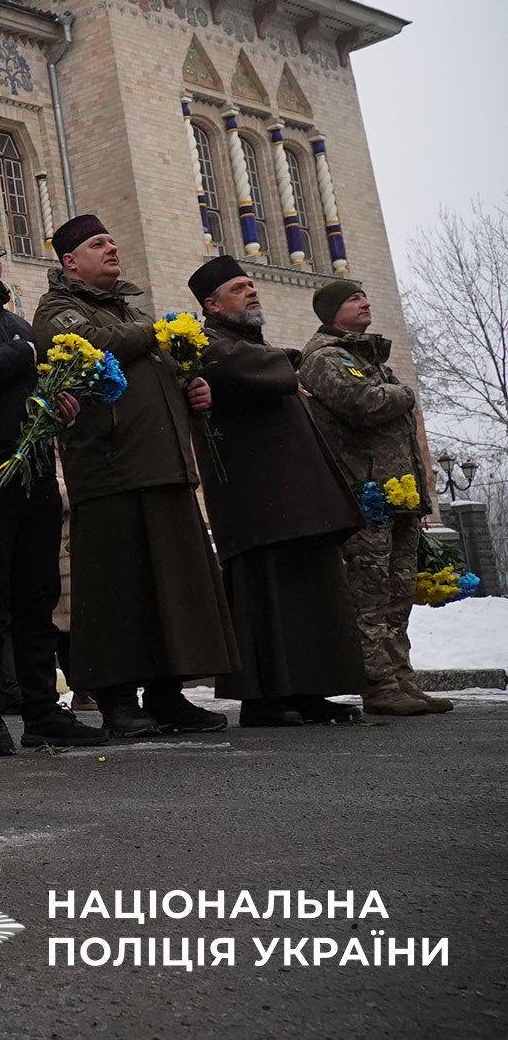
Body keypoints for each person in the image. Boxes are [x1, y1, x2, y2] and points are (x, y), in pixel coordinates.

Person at [32, 214, 237, 739]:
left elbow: (160, 365)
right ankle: (118, 701)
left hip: (164, 466)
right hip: (110, 470)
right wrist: (159, 332)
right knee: (116, 591)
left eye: (113, 240)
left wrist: (193, 391)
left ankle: (170, 695)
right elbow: (96, 347)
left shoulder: (130, 308)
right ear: (70, 260)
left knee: (173, 588)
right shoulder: (59, 309)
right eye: (99, 244)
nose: (113, 248)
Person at [0, 225, 105, 755]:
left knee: (37, 598)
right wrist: (25, 357)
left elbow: (26, 387)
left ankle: (41, 711)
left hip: (31, 472)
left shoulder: (11, 321)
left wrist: (55, 404)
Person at [188, 258, 364, 726]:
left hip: (296, 498)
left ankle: (308, 690)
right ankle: (263, 699)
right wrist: (290, 358)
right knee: (264, 596)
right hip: (257, 501)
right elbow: (251, 368)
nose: (252, 291)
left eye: (252, 284)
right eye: (238, 287)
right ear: (211, 304)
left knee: (308, 593)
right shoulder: (208, 343)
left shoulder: (250, 341)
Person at [299, 279, 450, 717]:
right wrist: (405, 394)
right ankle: (378, 684)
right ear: (330, 312)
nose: (365, 303)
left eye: (364, 296)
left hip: (397, 494)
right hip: (365, 498)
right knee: (369, 593)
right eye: (353, 299)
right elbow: (362, 403)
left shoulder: (368, 357)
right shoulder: (326, 358)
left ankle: (402, 677)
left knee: (398, 592)